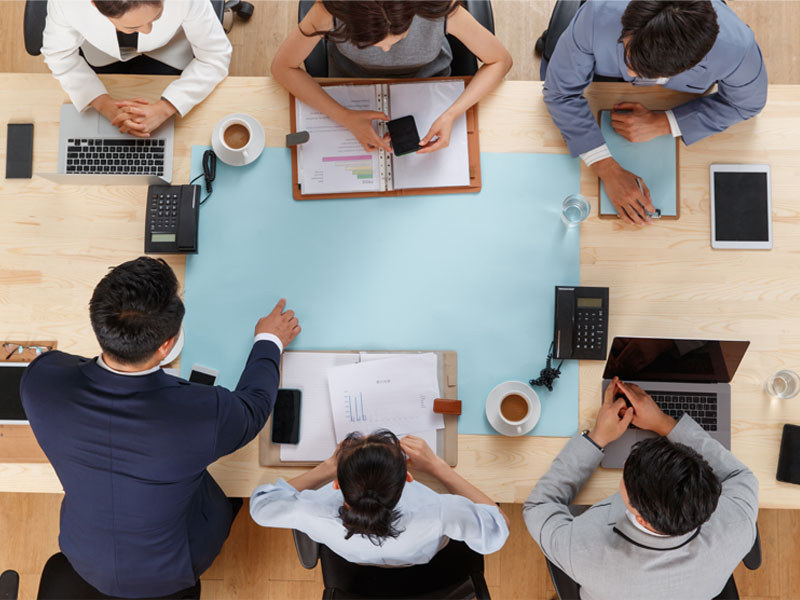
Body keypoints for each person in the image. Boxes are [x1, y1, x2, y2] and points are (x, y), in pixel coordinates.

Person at [21, 257, 301, 598]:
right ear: (166, 345)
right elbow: (254, 406)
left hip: (83, 551)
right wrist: (269, 339)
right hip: (173, 566)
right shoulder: (201, 415)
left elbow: (70, 365)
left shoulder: (40, 381)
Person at [523, 377, 759, 600]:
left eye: (628, 477)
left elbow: (539, 506)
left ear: (643, 519)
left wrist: (596, 439)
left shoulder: (587, 551)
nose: (625, 464)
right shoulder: (737, 525)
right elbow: (739, 475)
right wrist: (663, 423)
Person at [541, 0, 767, 225]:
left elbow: (746, 104)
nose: (628, 69)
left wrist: (665, 122)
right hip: (598, 74)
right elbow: (560, 93)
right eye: (626, 51)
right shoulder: (597, 13)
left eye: (638, 67)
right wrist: (605, 166)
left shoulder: (736, 49)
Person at [271, 0, 512, 153]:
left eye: (398, 39)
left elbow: (500, 60)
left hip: (428, 87)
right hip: (352, 89)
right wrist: (343, 116)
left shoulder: (437, 7)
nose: (386, 51)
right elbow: (282, 67)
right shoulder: (328, 10)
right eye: (372, 45)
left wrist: (452, 114)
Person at [250, 431, 509, 565]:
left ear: (337, 484)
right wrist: (437, 467)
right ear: (408, 476)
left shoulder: (312, 511)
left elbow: (261, 506)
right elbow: (499, 528)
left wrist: (328, 466)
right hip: (417, 556)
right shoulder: (437, 511)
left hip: (352, 559)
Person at [42, 0, 232, 138]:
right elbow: (59, 55)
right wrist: (102, 103)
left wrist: (166, 108)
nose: (148, 30)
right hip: (101, 55)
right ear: (94, 4)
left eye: (156, 17)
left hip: (168, 51)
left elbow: (214, 56)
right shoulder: (66, 3)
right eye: (132, 26)